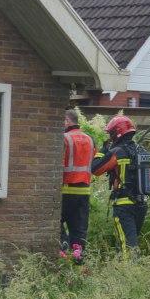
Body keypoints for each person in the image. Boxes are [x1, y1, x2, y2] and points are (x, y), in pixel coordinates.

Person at [91, 114, 150, 258]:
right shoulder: (143, 151)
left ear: (116, 133)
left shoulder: (117, 152)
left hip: (124, 206)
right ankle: (127, 268)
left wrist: (103, 150)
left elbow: (95, 169)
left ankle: (131, 270)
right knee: (130, 242)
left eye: (111, 134)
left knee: (128, 247)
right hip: (141, 205)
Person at [60, 108, 95, 264]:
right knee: (79, 230)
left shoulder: (65, 138)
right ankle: (78, 262)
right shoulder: (90, 139)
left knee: (55, 222)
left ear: (67, 121)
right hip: (84, 192)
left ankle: (62, 246)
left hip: (66, 190)